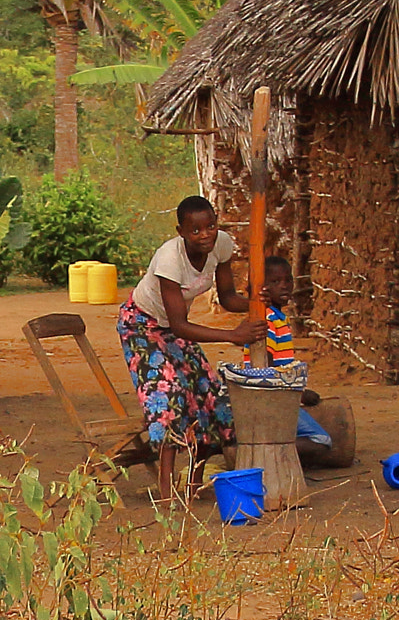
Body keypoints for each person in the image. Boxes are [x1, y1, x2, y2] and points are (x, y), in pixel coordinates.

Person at [119, 195, 266, 500]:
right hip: (143, 326)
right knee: (170, 398)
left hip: (173, 327)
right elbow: (178, 326)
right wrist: (232, 336)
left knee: (210, 394)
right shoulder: (169, 260)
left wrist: (259, 303)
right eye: (195, 231)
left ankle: (193, 486)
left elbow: (227, 297)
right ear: (180, 231)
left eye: (210, 226)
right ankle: (166, 493)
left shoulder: (221, 245)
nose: (205, 235)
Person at [261, 256, 332, 453]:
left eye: (288, 280)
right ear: (263, 287)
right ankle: (267, 450)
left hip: (279, 396)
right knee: (321, 440)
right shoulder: (268, 321)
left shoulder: (277, 319)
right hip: (274, 398)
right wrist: (298, 395)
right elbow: (265, 369)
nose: (284, 286)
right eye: (275, 282)